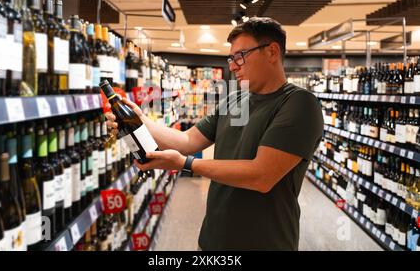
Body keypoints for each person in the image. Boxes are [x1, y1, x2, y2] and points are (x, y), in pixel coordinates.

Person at [105, 17, 324, 250]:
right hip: (212, 239)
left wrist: (184, 165)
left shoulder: (299, 104)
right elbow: (188, 140)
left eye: (241, 55)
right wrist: (141, 121)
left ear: (272, 52)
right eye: (231, 58)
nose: (232, 66)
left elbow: (261, 176)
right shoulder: (236, 100)